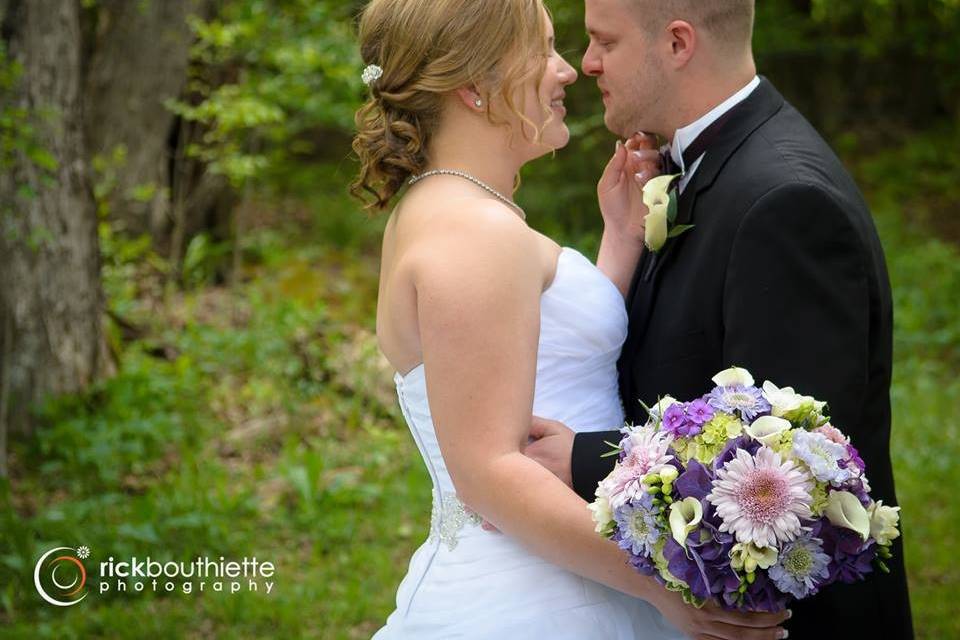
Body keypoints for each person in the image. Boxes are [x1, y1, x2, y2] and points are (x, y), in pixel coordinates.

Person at [354, 0, 789, 637]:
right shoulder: (474, 231)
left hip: (566, 566)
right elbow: (491, 473)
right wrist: (664, 585)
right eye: (543, 49)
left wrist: (618, 240)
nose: (567, 71)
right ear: (475, 87)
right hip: (534, 599)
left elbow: (550, 359)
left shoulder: (453, 209)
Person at [524, 1, 914, 638]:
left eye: (604, 42)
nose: (586, 63)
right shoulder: (703, 168)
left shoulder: (785, 202)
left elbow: (789, 468)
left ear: (678, 44)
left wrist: (582, 461)